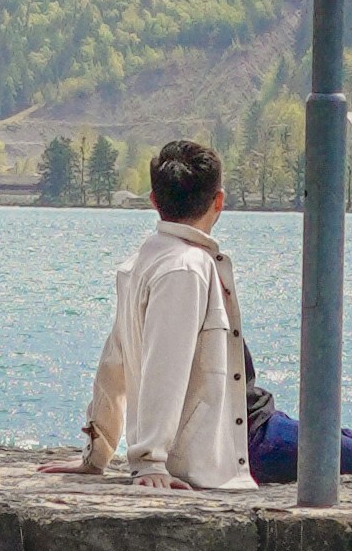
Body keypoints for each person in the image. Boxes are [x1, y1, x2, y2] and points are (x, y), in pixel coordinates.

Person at [75, 134, 251, 490]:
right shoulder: (186, 268)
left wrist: (97, 453)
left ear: (154, 200)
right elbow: (165, 367)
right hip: (217, 446)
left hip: (223, 433)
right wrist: (150, 460)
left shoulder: (141, 262)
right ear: (219, 201)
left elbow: (114, 363)